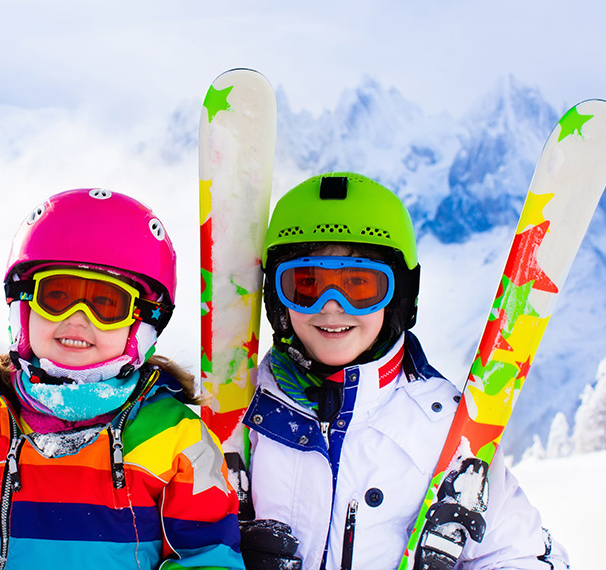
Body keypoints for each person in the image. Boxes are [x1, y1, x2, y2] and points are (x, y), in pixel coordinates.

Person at [238, 173, 568, 570]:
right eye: (306, 284)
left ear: (398, 299)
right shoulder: (239, 414)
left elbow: (522, 556)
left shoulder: (449, 432)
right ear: (278, 298)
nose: (330, 305)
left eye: (359, 286)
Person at [0, 188, 244, 570]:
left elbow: (207, 556)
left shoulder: (175, 438)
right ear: (23, 308)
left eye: (106, 304)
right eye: (56, 296)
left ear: (141, 324)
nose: (79, 318)